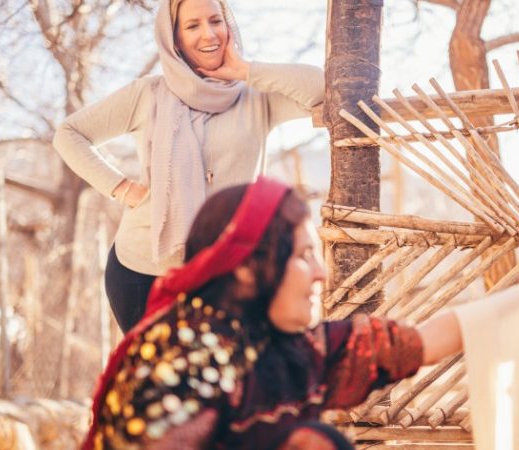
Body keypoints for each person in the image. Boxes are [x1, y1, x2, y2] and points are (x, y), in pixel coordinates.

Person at [82, 177, 463, 449]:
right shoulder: (182, 367)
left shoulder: (279, 346)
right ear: (248, 269)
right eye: (303, 256)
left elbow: (418, 343)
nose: (321, 273)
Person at [52, 0, 324, 332]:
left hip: (225, 272)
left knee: (219, 379)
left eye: (215, 21)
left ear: (229, 26)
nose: (208, 34)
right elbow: (68, 134)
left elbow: (324, 89)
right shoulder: (148, 93)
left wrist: (245, 71)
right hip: (143, 273)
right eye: (192, 26)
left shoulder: (256, 96)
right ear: (175, 39)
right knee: (155, 379)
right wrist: (121, 188)